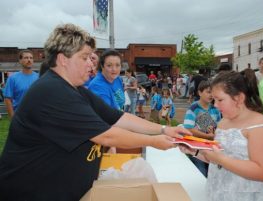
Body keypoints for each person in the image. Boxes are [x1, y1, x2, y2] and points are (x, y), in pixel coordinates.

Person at [0, 23, 191, 201]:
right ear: (63, 59)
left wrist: (164, 129)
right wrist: (153, 141)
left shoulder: (75, 89)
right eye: (84, 58)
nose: (91, 65)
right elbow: (107, 136)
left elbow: (118, 118)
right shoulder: (52, 91)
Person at [179, 69, 263, 201]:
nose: (216, 105)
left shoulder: (260, 126)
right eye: (214, 100)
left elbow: (262, 172)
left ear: (239, 98)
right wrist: (195, 151)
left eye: (220, 100)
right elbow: (218, 159)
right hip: (222, 190)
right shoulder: (224, 122)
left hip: (251, 193)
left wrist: (220, 159)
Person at [183, 80, 221, 177]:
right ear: (199, 92)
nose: (211, 95)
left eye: (212, 92)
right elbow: (188, 129)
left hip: (211, 148)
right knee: (201, 173)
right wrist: (207, 136)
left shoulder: (215, 109)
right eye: (208, 92)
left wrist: (214, 132)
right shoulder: (193, 108)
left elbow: (219, 126)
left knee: (212, 174)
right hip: (196, 149)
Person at [3, 49, 39, 119]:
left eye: (31, 58)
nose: (29, 60)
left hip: (37, 117)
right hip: (19, 117)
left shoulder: (39, 77)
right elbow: (7, 99)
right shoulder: (13, 78)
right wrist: (12, 117)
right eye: (26, 58)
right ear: (20, 61)